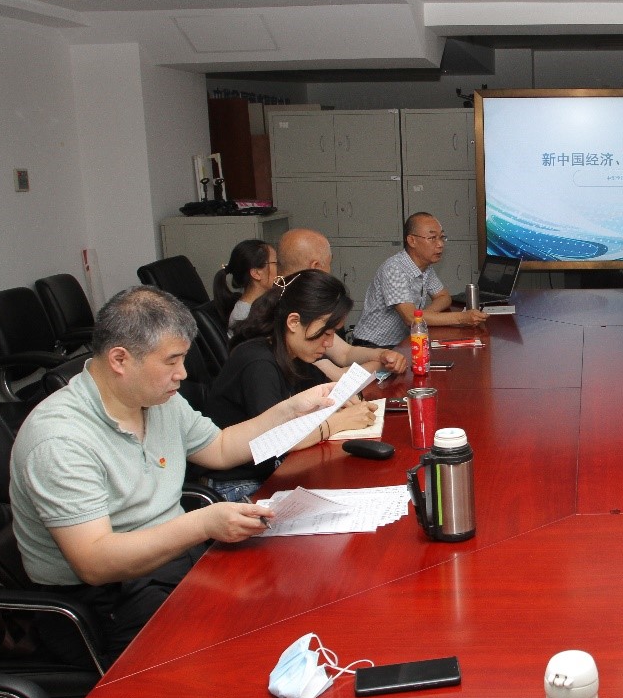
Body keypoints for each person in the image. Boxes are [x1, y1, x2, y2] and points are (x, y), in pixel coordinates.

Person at [8, 287, 334, 663]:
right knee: (232, 654)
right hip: (103, 603)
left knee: (286, 598)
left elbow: (221, 447)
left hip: (170, 563)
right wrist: (203, 524)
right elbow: (95, 562)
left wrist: (289, 410)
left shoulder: (156, 398)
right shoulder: (60, 439)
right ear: (120, 359)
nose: (183, 374)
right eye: (172, 361)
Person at [204, 270, 378, 500]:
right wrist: (336, 422)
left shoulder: (294, 355)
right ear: (294, 322)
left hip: (274, 472)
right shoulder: (257, 362)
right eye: (325, 333)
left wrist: (343, 402)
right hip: (239, 485)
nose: (328, 343)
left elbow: (325, 398)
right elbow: (277, 440)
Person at [274, 228, 407, 375]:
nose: (328, 342)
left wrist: (382, 355)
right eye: (329, 263)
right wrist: (381, 363)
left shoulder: (280, 296)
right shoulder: (292, 309)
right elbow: (337, 374)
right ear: (316, 268)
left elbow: (344, 353)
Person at [353, 212, 486, 348]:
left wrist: (425, 315)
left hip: (402, 343)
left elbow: (444, 297)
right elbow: (410, 318)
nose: (440, 244)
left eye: (442, 237)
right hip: (374, 346)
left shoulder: (425, 267)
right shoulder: (394, 268)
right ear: (412, 241)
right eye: (432, 238)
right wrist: (462, 318)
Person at [212, 239, 277, 330]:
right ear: (256, 273)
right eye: (276, 263)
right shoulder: (244, 316)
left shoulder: (263, 305)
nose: (280, 268)